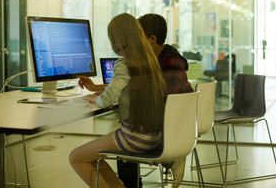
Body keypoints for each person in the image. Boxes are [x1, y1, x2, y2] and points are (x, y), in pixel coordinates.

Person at [69, 13, 166, 188]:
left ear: (117, 41)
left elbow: (107, 100)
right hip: (154, 136)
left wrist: (95, 101)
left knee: (76, 157)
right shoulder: (150, 60)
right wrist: (95, 88)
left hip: (135, 138)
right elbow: (128, 87)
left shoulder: (124, 63)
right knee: (92, 157)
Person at [117, 13, 193, 188]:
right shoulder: (158, 59)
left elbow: (164, 96)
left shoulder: (171, 60)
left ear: (151, 39)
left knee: (124, 147)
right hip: (167, 125)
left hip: (169, 130)